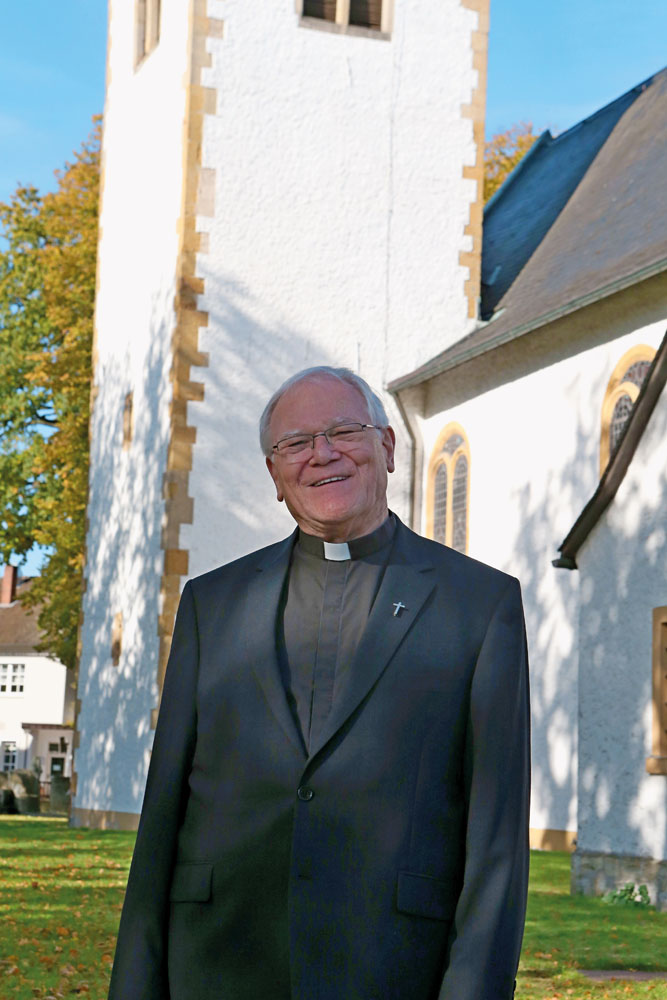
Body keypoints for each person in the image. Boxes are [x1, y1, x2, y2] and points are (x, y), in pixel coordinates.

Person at [108, 365, 530, 1000]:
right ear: (276, 478)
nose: (322, 454)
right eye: (295, 443)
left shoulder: (479, 605)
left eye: (344, 430)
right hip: (216, 966)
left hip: (391, 970)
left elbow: (496, 843)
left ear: (387, 448)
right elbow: (163, 815)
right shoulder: (211, 604)